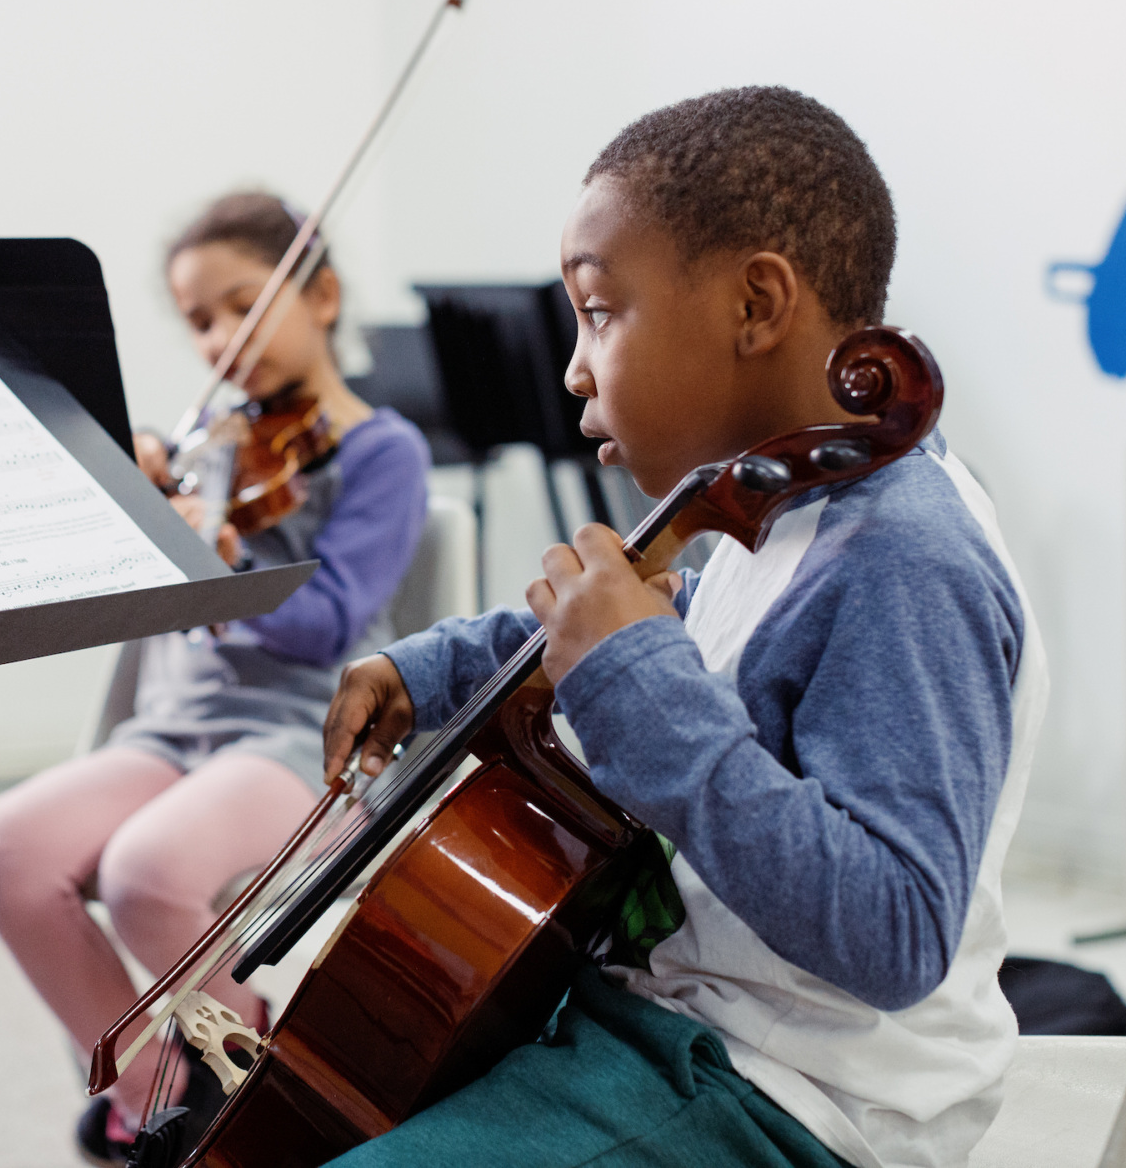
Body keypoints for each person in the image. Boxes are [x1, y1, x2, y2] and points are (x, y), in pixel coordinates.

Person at [322, 88, 1047, 1168]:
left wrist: (631, 676)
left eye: (600, 311)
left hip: (789, 1102)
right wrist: (423, 669)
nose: (573, 366)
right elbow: (636, 621)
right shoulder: (766, 509)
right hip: (675, 1029)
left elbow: (893, 928)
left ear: (756, 304)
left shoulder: (903, 556)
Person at [0, 191, 431, 1164]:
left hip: (306, 738)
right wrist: (132, 505)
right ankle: (169, 1100)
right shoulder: (210, 444)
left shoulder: (379, 453)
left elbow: (326, 626)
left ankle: (268, 1069)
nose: (223, 337)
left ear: (320, 296)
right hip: (173, 731)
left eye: (242, 302)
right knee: (3, 850)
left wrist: (213, 568)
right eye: (198, 320)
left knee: (146, 872)